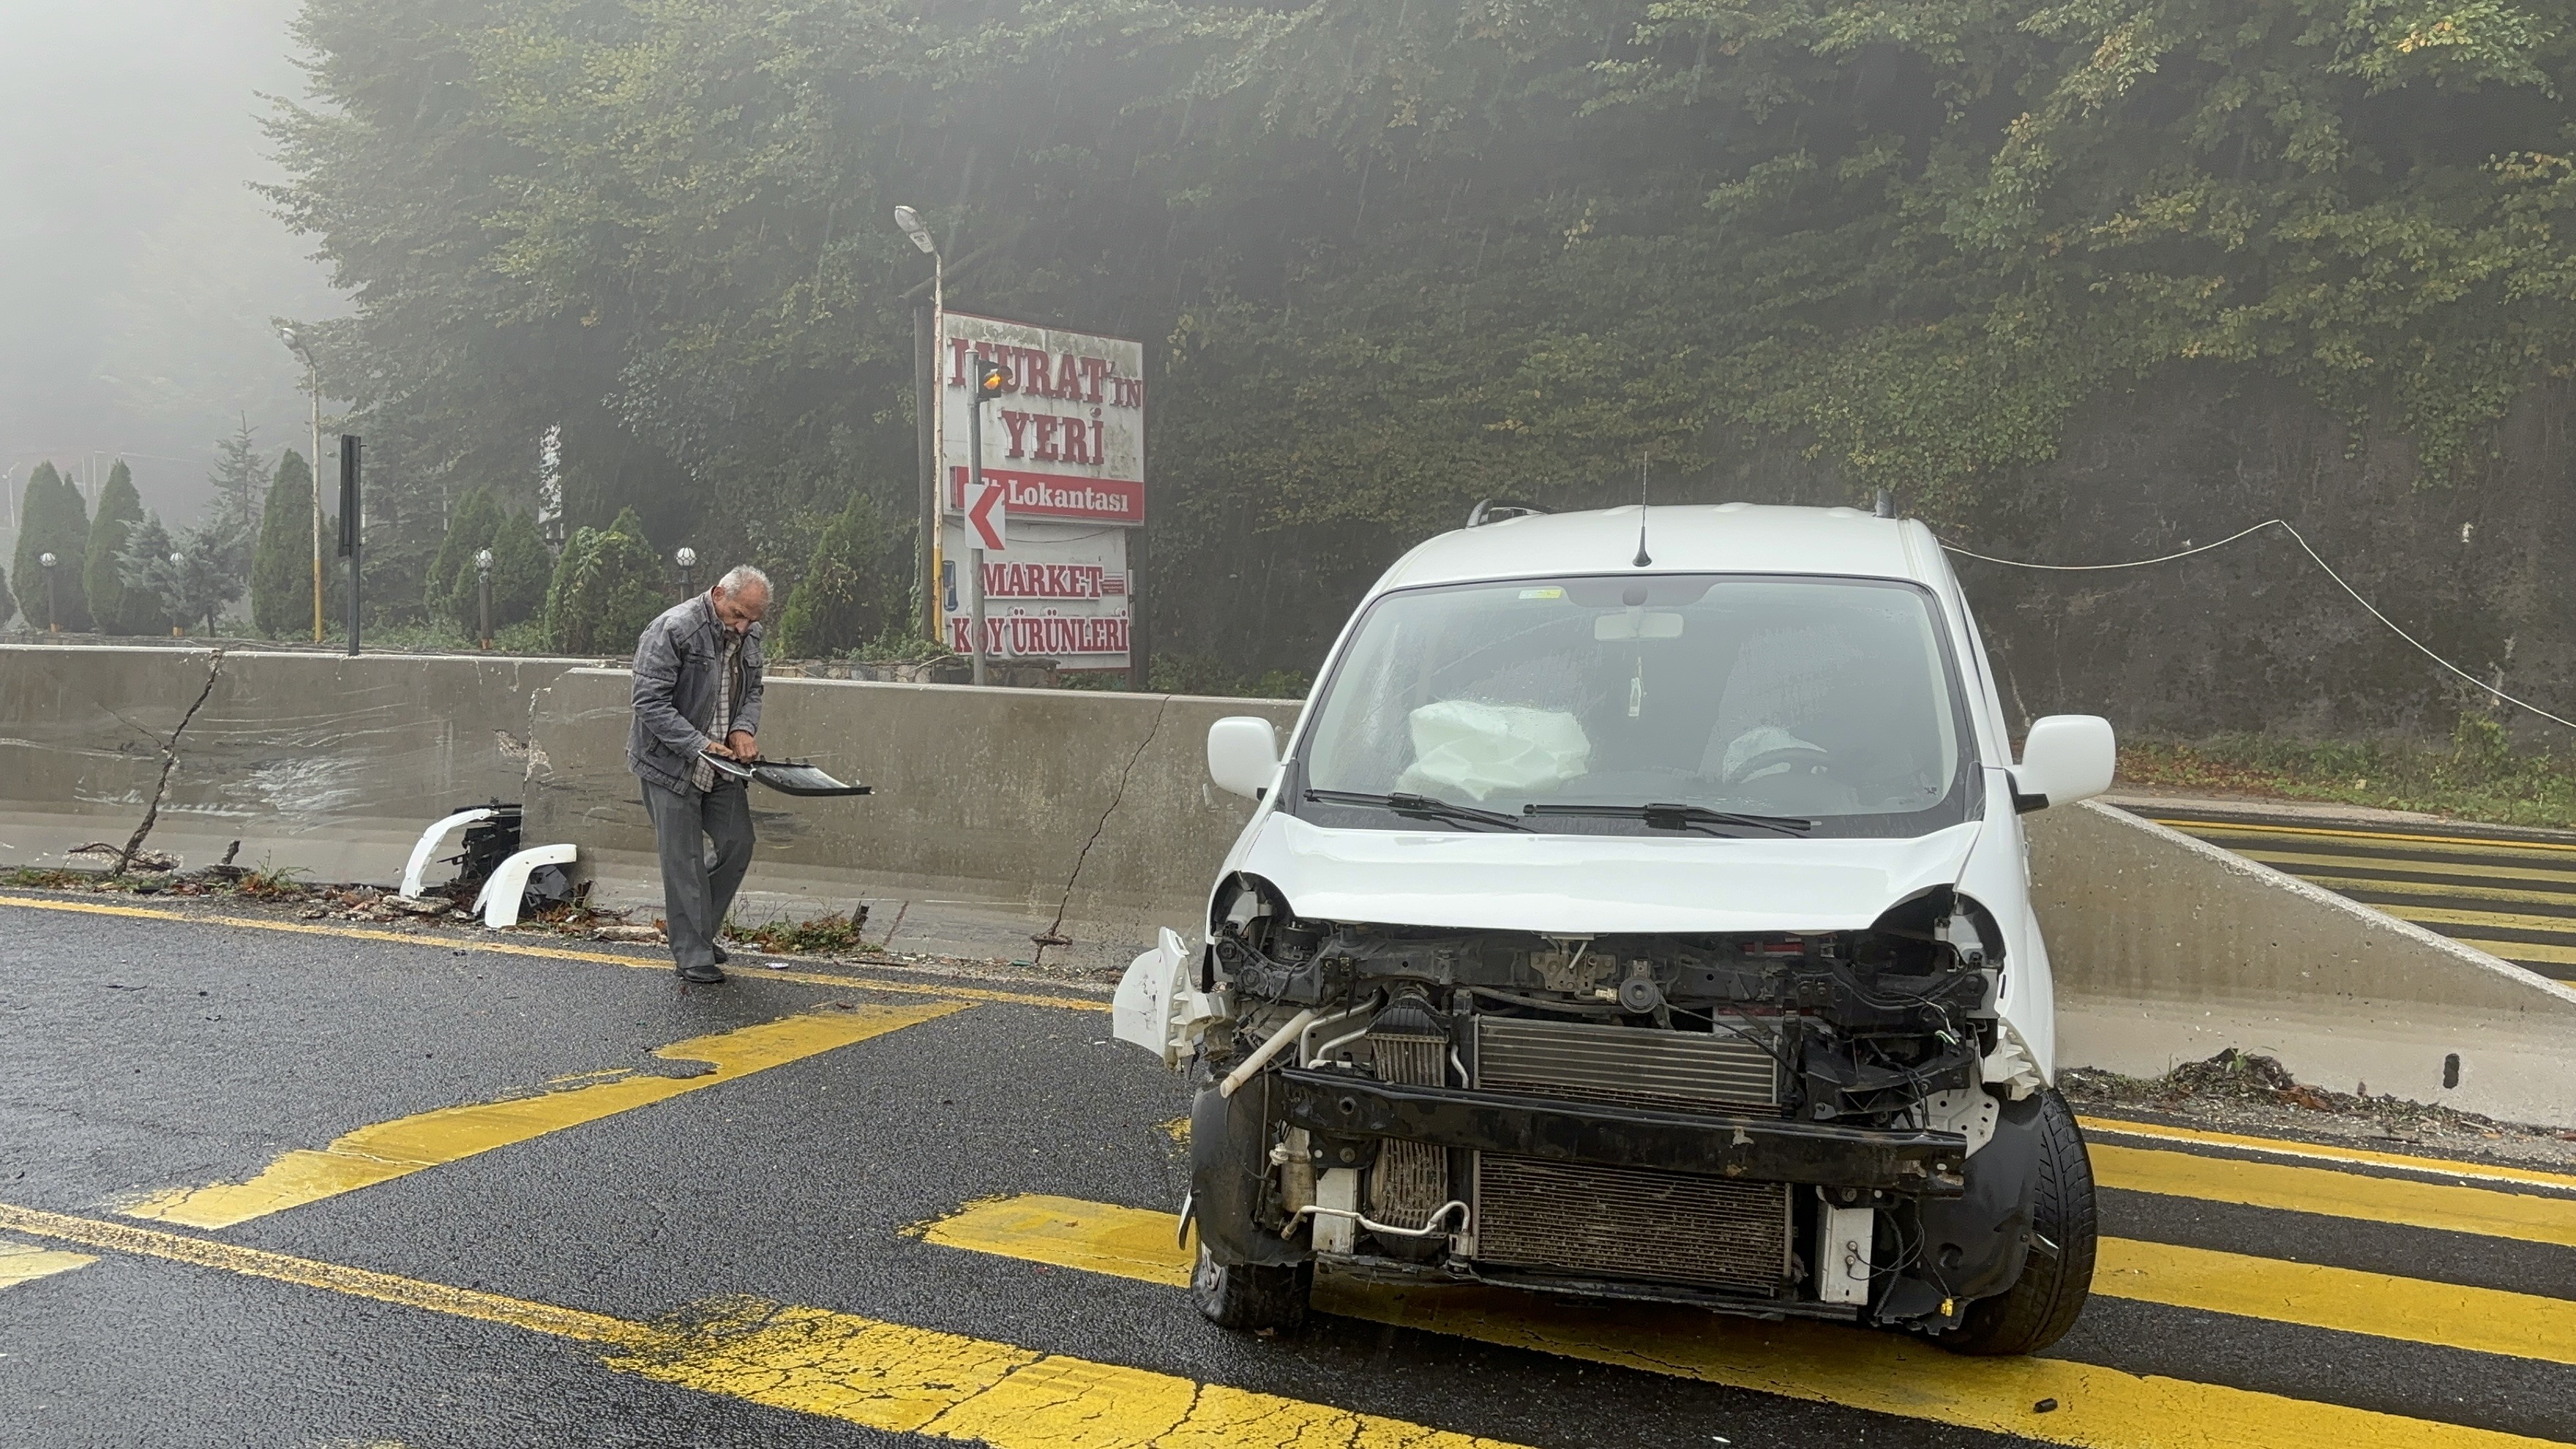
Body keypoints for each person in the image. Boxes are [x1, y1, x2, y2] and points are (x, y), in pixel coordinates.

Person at [629, 564, 770, 983]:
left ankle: (694, 927)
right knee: (684, 859)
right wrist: (698, 743)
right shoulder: (674, 629)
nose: (743, 627)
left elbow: (755, 689)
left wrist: (744, 727)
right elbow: (648, 701)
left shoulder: (750, 636)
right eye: (738, 615)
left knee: (737, 843)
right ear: (718, 594)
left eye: (753, 620)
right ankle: (693, 952)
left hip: (723, 764)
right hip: (670, 761)